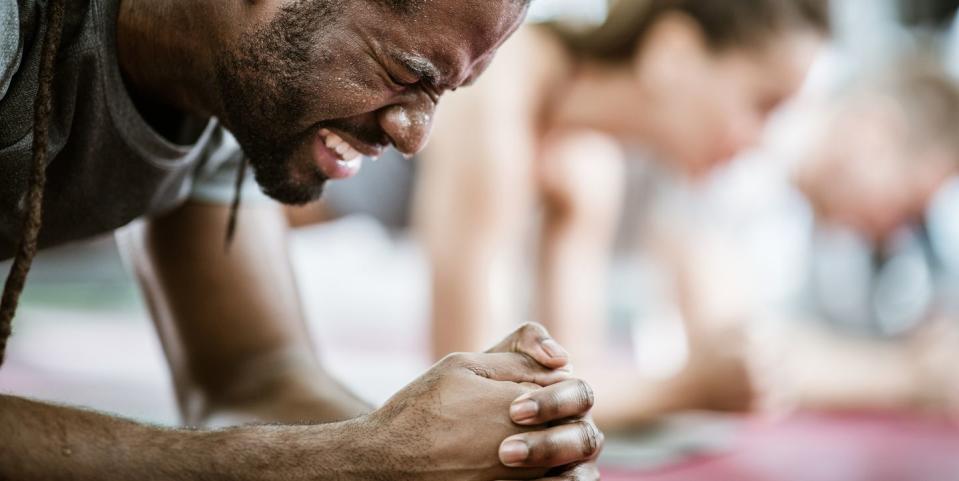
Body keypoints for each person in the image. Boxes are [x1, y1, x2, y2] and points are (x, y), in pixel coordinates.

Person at [0, 0, 603, 479]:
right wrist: (358, 461)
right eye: (405, 74)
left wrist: (453, 449)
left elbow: (251, 377)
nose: (417, 137)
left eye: (441, 94)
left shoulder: (233, 93)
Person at [415, 0, 829, 382]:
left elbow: (569, 383)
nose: (762, 141)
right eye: (764, 104)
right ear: (675, 52)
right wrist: (685, 388)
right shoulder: (500, 85)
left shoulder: (589, 162)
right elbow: (467, 385)